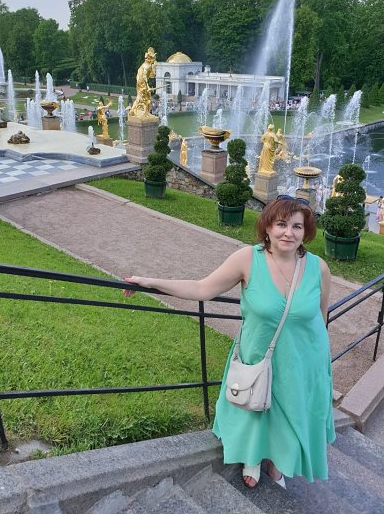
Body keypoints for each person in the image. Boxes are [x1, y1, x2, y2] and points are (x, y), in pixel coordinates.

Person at [123, 197, 335, 488]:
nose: (289, 233)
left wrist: (320, 363)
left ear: (305, 231)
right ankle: (252, 456)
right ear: (267, 228)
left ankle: (276, 463)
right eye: (281, 224)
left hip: (303, 360)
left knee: (290, 415)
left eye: (297, 226)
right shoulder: (248, 259)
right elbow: (202, 288)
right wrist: (149, 282)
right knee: (256, 407)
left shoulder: (318, 268)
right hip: (259, 354)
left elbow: (321, 317)